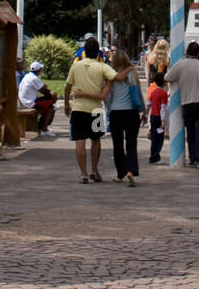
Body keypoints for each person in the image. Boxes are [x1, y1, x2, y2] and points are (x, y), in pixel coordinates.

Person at [64, 37, 129, 183]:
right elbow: (118, 78)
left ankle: (83, 173)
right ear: (98, 52)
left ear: (85, 52)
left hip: (78, 108)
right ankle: (94, 170)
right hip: (96, 109)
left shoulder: (76, 66)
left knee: (79, 140)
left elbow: (67, 86)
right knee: (96, 139)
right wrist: (129, 68)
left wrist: (67, 104)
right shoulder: (102, 67)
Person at [166, 41, 199, 167]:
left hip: (187, 101)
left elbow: (168, 77)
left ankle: (193, 157)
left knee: (190, 130)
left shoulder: (181, 65)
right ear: (198, 53)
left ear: (186, 52)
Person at [105, 48, 147, 185]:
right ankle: (131, 170)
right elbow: (139, 93)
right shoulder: (133, 73)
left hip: (116, 113)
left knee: (117, 145)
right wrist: (144, 111)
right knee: (131, 144)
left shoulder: (112, 74)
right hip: (131, 112)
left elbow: (108, 92)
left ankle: (120, 173)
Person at [18, 60, 58, 134]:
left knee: (50, 103)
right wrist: (46, 89)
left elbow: (42, 90)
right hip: (29, 103)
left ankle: (42, 125)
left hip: (25, 101)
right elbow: (46, 93)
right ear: (39, 70)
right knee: (52, 105)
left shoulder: (28, 75)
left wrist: (44, 88)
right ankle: (44, 129)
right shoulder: (34, 78)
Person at [147, 69, 168, 163]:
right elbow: (163, 108)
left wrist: (145, 114)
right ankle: (155, 157)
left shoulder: (154, 92)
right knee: (159, 139)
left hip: (153, 117)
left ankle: (153, 156)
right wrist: (163, 122)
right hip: (159, 118)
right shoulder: (163, 94)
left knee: (154, 138)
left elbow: (148, 104)